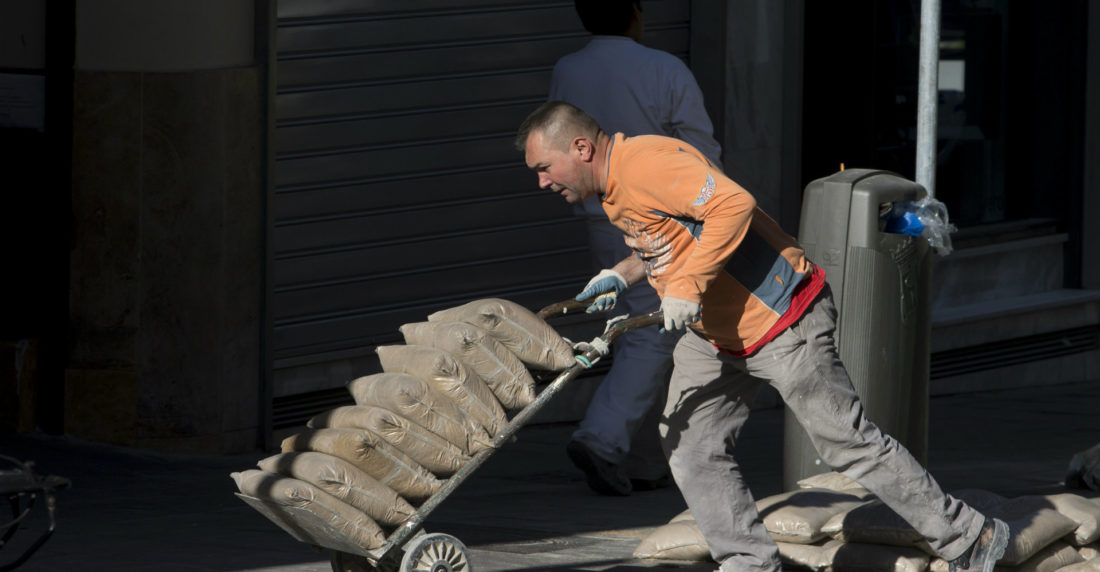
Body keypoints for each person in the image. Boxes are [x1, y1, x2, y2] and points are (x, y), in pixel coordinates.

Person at [515, 101, 1009, 572]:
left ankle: (970, 536)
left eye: (544, 167)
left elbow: (732, 205)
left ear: (580, 148)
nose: (540, 182)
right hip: (717, 333)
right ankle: (748, 560)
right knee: (689, 441)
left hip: (781, 318)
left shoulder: (645, 164)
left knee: (847, 443)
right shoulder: (616, 187)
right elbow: (672, 236)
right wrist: (623, 274)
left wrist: (686, 285)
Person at [549, 0, 723, 496]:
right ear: (636, 13)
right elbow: (702, 148)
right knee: (654, 333)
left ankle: (646, 460)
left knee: (632, 332)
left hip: (598, 216)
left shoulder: (569, 69)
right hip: (659, 216)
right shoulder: (664, 68)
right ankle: (602, 438)